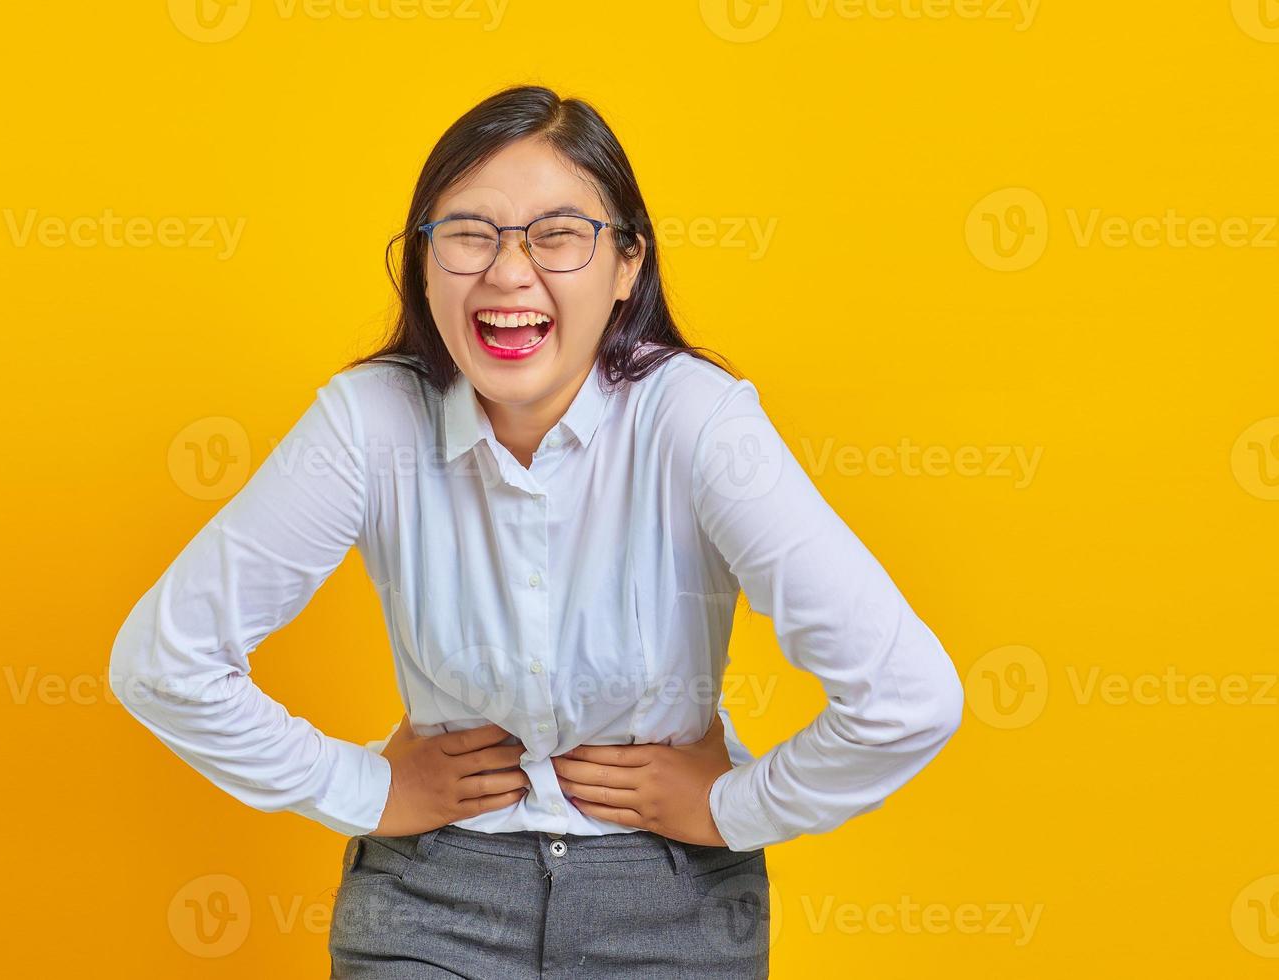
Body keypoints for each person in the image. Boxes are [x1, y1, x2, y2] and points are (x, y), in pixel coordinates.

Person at [109, 84, 964, 979]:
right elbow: (165, 663)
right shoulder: (369, 421)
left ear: (628, 264)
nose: (510, 274)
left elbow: (906, 698)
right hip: (429, 900)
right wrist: (362, 787)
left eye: (559, 234)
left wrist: (737, 809)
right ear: (424, 264)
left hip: (672, 906)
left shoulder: (698, 422)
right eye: (470, 233)